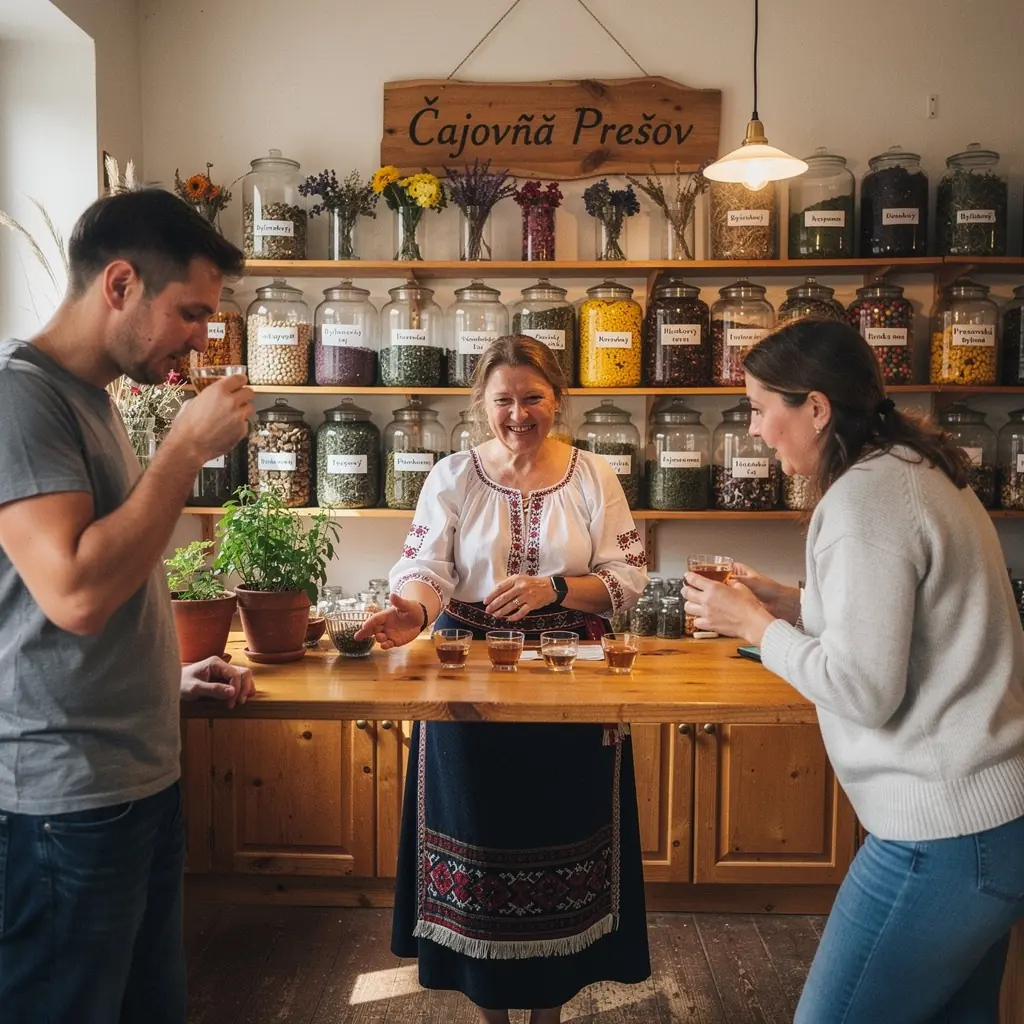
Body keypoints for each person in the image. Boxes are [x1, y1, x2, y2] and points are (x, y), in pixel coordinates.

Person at [683, 319, 1024, 1023]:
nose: (753, 430)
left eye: (758, 407)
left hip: (942, 836)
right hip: (995, 819)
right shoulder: (917, 470)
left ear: (814, 406)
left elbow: (866, 690)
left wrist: (756, 626)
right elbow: (908, 624)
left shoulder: (860, 502)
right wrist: (793, 603)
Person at [0, 188, 257, 1023]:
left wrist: (169, 678)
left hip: (134, 776)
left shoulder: (95, 399)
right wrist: (182, 449)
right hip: (63, 804)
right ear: (119, 285)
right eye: (189, 312)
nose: (200, 336)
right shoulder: (20, 402)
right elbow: (72, 594)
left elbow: (108, 580)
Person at [357, 335, 651, 1024]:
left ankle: (549, 1012)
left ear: (558, 400)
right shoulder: (453, 476)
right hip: (469, 671)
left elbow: (628, 577)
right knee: (479, 835)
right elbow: (427, 568)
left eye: (533, 399)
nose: (518, 414)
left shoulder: (592, 475)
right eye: (503, 401)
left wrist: (555, 590)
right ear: (480, 405)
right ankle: (489, 1012)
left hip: (569, 673)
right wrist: (409, 612)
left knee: (564, 825)